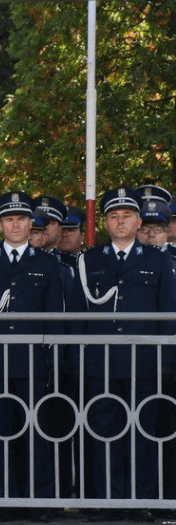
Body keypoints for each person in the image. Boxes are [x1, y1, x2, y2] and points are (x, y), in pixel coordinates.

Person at [71, 186, 176, 522]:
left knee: (142, 433)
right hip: (99, 363)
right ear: (105, 222)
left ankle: (139, 499)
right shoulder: (89, 260)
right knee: (103, 434)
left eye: (127, 216)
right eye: (114, 216)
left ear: (137, 221)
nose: (120, 222)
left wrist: (167, 361)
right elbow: (76, 316)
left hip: (144, 363)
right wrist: (77, 360)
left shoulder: (157, 260)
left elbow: (168, 312)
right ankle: (107, 500)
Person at [0, 192, 63, 522]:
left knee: (37, 433)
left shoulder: (48, 264)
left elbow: (55, 317)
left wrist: (53, 360)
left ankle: (41, 501)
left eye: (22, 219)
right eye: (9, 219)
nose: (16, 225)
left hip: (34, 362)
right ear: (0, 225)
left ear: (30, 223)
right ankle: (7, 499)